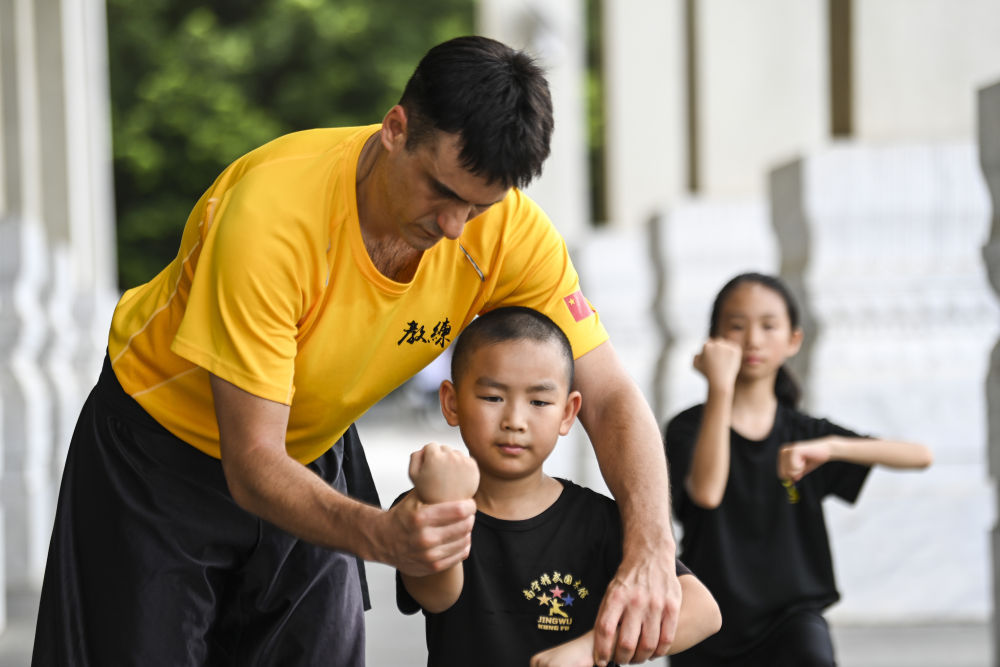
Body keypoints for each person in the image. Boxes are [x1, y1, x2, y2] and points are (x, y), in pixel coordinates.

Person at [33, 36, 680, 667]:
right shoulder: (273, 217)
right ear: (395, 128)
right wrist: (379, 534)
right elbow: (252, 457)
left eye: (478, 206)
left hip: (307, 450)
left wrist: (650, 549)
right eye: (442, 191)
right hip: (159, 450)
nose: (455, 227)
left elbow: (609, 393)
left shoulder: (510, 231)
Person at [395, 306, 721, 667]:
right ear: (451, 402)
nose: (515, 421)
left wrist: (591, 648)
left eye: (538, 401)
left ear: (568, 413)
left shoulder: (597, 521)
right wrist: (440, 502)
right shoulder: (420, 508)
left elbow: (704, 612)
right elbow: (437, 595)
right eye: (492, 398)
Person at [663, 272, 934, 667]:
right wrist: (719, 388)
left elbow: (920, 455)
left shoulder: (807, 435)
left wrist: (832, 447)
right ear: (715, 340)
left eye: (768, 326)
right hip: (708, 619)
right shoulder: (687, 428)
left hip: (791, 620)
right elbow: (706, 492)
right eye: (737, 326)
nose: (753, 340)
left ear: (793, 340)